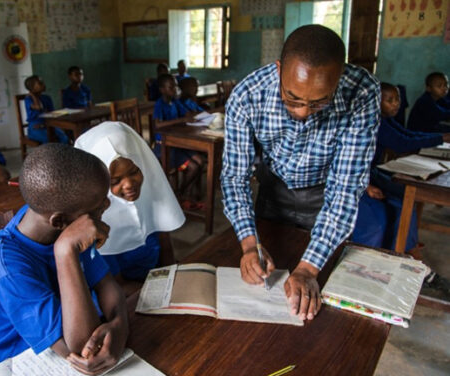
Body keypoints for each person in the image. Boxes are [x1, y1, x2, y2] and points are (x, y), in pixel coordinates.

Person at [222, 24, 380, 321]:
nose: (303, 113)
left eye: (320, 101)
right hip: (272, 195)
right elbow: (235, 177)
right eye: (292, 98)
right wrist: (248, 243)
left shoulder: (362, 91)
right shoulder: (247, 96)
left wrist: (308, 269)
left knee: (315, 304)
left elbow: (345, 190)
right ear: (279, 69)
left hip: (325, 200)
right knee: (266, 285)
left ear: (340, 76)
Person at [0, 144, 128, 374]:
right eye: (99, 206)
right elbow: (79, 346)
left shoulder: (66, 218)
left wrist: (119, 324)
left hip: (65, 344)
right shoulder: (6, 268)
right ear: (59, 222)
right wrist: (65, 250)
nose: (106, 207)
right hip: (16, 363)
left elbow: (108, 285)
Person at [75, 122, 185, 293]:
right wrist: (159, 290)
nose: (129, 185)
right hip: (126, 293)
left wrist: (170, 278)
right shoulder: (97, 224)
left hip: (156, 280)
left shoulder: (149, 196)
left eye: (134, 172)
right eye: (115, 181)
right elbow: (116, 285)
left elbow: (166, 247)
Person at [351, 82, 449, 251]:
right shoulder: (372, 122)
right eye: (390, 100)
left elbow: (408, 134)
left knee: (406, 199)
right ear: (375, 101)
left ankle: (405, 247)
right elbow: (402, 143)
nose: (396, 103)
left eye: (397, 99)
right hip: (362, 177)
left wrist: (441, 137)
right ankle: (398, 247)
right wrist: (441, 139)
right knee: (384, 214)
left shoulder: (383, 119)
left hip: (369, 173)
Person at [153, 74, 204, 207]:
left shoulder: (175, 102)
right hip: (164, 147)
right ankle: (179, 194)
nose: (174, 89)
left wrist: (191, 115)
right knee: (193, 166)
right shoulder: (160, 104)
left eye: (175, 86)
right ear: (162, 90)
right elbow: (157, 125)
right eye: (171, 87)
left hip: (177, 143)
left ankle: (184, 194)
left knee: (200, 161)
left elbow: (186, 114)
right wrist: (181, 120)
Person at [23, 75, 69, 144]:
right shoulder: (28, 99)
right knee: (49, 139)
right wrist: (33, 95)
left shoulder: (47, 98)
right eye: (40, 83)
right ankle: (49, 154)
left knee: (64, 138)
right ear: (32, 88)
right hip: (35, 128)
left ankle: (62, 154)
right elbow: (38, 106)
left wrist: (46, 124)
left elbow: (52, 114)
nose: (44, 84)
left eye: (43, 82)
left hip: (48, 125)